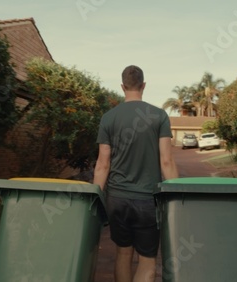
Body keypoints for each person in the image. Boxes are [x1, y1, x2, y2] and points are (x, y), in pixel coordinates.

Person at [93, 65, 179, 282]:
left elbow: (103, 164)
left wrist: (94, 198)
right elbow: (167, 161)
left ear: (122, 87)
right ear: (144, 85)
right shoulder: (159, 116)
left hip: (117, 200)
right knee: (148, 259)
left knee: (122, 253)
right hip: (147, 201)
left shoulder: (108, 118)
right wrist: (178, 198)